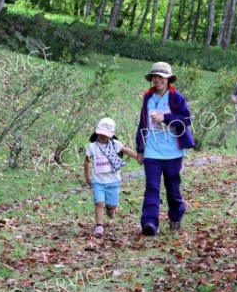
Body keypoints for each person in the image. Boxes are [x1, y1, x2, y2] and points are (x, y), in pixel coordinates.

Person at [135, 62, 195, 236]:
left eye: (161, 77)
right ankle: (150, 223)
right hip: (152, 151)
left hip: (173, 152)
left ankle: (176, 215)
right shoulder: (148, 97)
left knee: (172, 188)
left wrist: (165, 117)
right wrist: (140, 148)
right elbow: (142, 124)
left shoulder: (176, 98)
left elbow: (187, 119)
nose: (157, 80)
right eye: (155, 76)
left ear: (168, 79)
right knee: (152, 187)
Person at [84, 117, 137, 237]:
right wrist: (87, 178)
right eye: (101, 133)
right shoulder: (92, 147)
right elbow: (86, 162)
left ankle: (110, 209)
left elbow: (127, 151)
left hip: (113, 181)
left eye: (106, 134)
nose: (103, 136)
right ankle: (99, 226)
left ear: (111, 135)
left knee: (111, 205)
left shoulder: (115, 145)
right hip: (98, 181)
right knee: (99, 203)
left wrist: (138, 157)